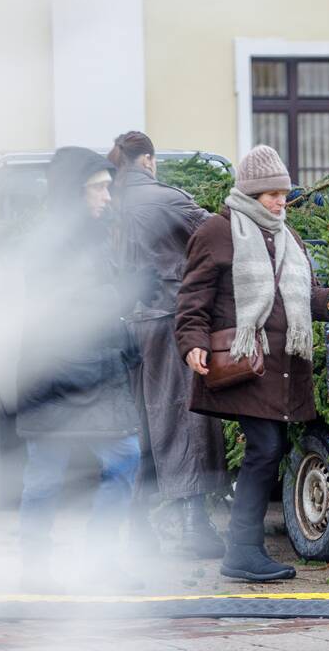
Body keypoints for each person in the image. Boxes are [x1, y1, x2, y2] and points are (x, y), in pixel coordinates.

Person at [176, 145, 329, 581]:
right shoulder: (218, 231)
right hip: (246, 360)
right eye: (271, 194)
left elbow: (299, 294)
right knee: (265, 449)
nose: (281, 202)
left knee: (267, 450)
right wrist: (191, 342)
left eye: (284, 193)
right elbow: (192, 297)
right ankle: (241, 552)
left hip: (284, 364)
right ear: (250, 193)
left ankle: (243, 551)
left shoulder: (288, 237)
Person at [16, 147, 146, 592]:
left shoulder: (95, 237)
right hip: (56, 380)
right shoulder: (48, 245)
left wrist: (127, 343)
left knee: (123, 458)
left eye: (109, 187)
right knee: (45, 476)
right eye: (99, 188)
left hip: (98, 377)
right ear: (74, 193)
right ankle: (35, 570)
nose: (107, 197)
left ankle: (101, 563)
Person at [109, 131, 228, 559]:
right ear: (148, 161)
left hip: (123, 327)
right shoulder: (168, 200)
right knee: (184, 418)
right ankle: (195, 529)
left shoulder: (109, 201)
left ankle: (139, 530)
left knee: (137, 424)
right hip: (169, 322)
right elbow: (220, 236)